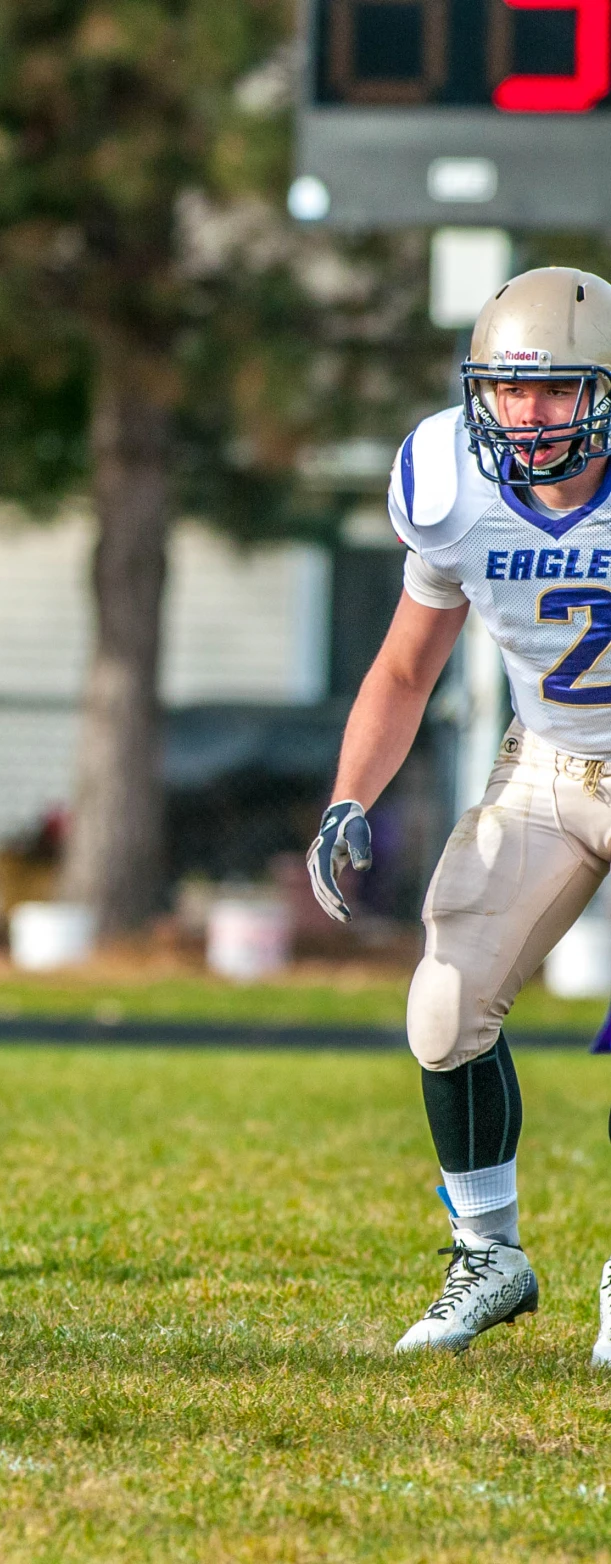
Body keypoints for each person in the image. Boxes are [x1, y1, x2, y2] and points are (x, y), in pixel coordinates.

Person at [309, 264, 611, 1359]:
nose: (527, 418)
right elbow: (404, 667)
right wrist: (351, 796)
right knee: (443, 1007)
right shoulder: (450, 479)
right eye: (507, 392)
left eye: (556, 392)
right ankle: (491, 1253)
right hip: (554, 761)